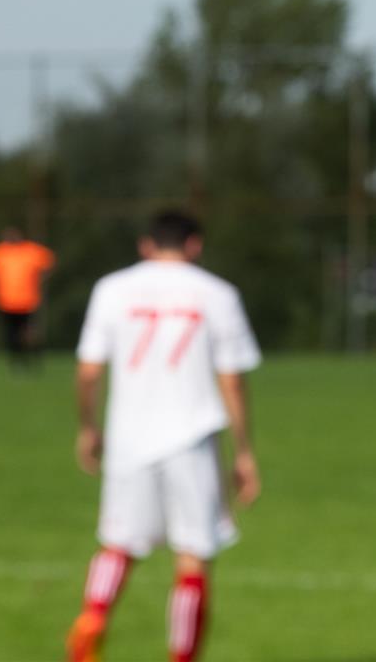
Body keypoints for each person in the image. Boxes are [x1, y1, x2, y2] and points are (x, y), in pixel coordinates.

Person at [65, 210, 262, 662]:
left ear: (146, 245)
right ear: (195, 245)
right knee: (192, 554)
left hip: (129, 436)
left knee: (119, 543)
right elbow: (231, 380)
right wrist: (245, 452)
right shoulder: (217, 294)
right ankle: (182, 657)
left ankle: (92, 618)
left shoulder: (111, 289)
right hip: (190, 437)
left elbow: (89, 370)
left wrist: (88, 428)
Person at [0, 226, 56, 369]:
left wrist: (39, 280)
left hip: (27, 301)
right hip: (5, 301)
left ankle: (35, 356)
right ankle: (17, 362)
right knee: (11, 334)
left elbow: (50, 262)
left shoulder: (30, 250)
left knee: (28, 333)